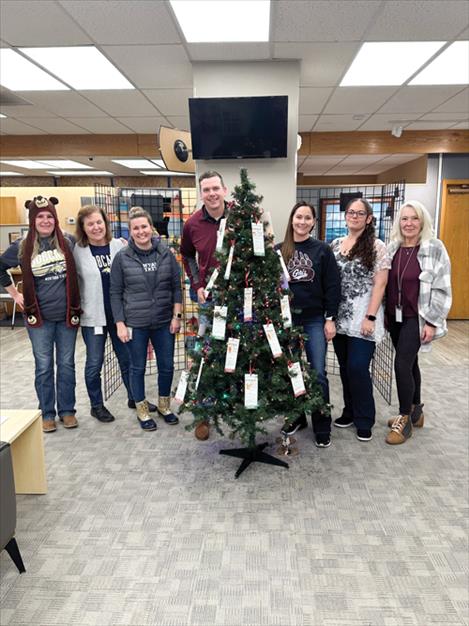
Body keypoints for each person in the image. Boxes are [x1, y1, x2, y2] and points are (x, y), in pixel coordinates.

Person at [0, 195, 80, 433]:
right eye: (40, 217)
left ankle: (67, 411)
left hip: (67, 316)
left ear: (55, 219)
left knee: (66, 364)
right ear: (32, 220)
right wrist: (15, 295)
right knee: (44, 366)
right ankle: (47, 413)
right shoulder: (22, 246)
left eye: (49, 216)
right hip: (39, 319)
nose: (45, 221)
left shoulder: (69, 242)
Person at [73, 205, 158, 423]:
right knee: (94, 363)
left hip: (121, 316)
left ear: (106, 223)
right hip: (94, 317)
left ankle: (134, 397)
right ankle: (96, 405)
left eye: (99, 222)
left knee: (128, 360)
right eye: (90, 223)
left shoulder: (119, 246)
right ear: (83, 227)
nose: (96, 227)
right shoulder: (77, 251)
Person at [384, 200, 452, 445]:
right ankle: (417, 411)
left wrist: (433, 321)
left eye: (414, 218)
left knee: (401, 364)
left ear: (422, 221)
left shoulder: (434, 247)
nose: (409, 223)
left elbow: (442, 288)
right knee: (410, 363)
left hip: (418, 317)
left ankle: (404, 420)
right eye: (404, 219)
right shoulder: (393, 248)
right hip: (395, 316)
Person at [110, 207, 182, 431]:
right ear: (130, 232)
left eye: (144, 226)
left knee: (167, 366)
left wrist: (176, 315)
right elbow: (115, 292)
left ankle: (164, 406)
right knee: (137, 368)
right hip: (135, 323)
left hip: (163, 321)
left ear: (151, 228)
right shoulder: (122, 258)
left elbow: (175, 287)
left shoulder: (166, 254)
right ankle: (142, 411)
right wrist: (120, 324)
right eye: (136, 228)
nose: (141, 231)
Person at [278, 202, 341, 448]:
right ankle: (296, 417)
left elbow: (333, 286)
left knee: (318, 374)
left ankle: (322, 423)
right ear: (291, 219)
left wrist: (330, 318)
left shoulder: (323, 250)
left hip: (315, 319)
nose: (302, 222)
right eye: (298, 217)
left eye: (307, 218)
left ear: (313, 222)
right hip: (287, 320)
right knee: (291, 372)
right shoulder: (279, 250)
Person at [331, 198, 391, 442]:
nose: (354, 216)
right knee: (345, 368)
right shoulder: (335, 245)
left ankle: (365, 418)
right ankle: (350, 411)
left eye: (360, 213)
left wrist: (370, 316)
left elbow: (381, 283)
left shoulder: (377, 246)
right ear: (346, 216)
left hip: (363, 318)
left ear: (368, 218)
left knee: (358, 367)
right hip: (340, 319)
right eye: (350, 212)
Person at [180, 170, 229, 440]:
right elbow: (186, 254)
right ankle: (204, 414)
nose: (211, 193)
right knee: (206, 357)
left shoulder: (241, 217)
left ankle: (246, 411)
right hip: (209, 301)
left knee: (247, 353)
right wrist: (197, 284)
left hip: (241, 299)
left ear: (224, 190)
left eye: (215, 188)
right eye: (206, 189)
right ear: (202, 193)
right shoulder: (193, 224)